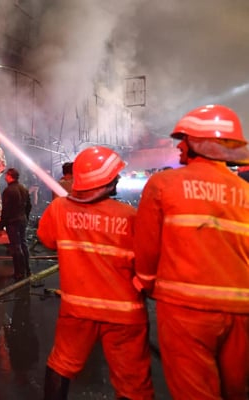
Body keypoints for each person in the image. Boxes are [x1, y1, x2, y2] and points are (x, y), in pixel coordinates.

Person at [133, 104, 249, 400]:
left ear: (201, 143)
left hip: (185, 310)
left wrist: (144, 283)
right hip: (241, 310)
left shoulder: (162, 184)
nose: (180, 146)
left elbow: (146, 248)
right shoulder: (245, 191)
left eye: (185, 139)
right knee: (236, 390)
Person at [37, 146, 154, 400]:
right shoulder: (131, 216)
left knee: (61, 364)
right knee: (132, 382)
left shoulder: (59, 209)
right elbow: (147, 264)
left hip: (77, 307)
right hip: (124, 313)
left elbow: (46, 239)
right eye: (115, 176)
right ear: (106, 181)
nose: (119, 179)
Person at [0, 168, 32, 279]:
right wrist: (26, 217)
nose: (5, 177)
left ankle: (19, 273)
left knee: (16, 247)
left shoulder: (8, 191)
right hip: (22, 220)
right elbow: (29, 206)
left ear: (10, 176)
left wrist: (1, 224)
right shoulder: (24, 188)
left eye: (6, 175)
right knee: (24, 244)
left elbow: (6, 210)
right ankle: (27, 270)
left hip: (13, 222)